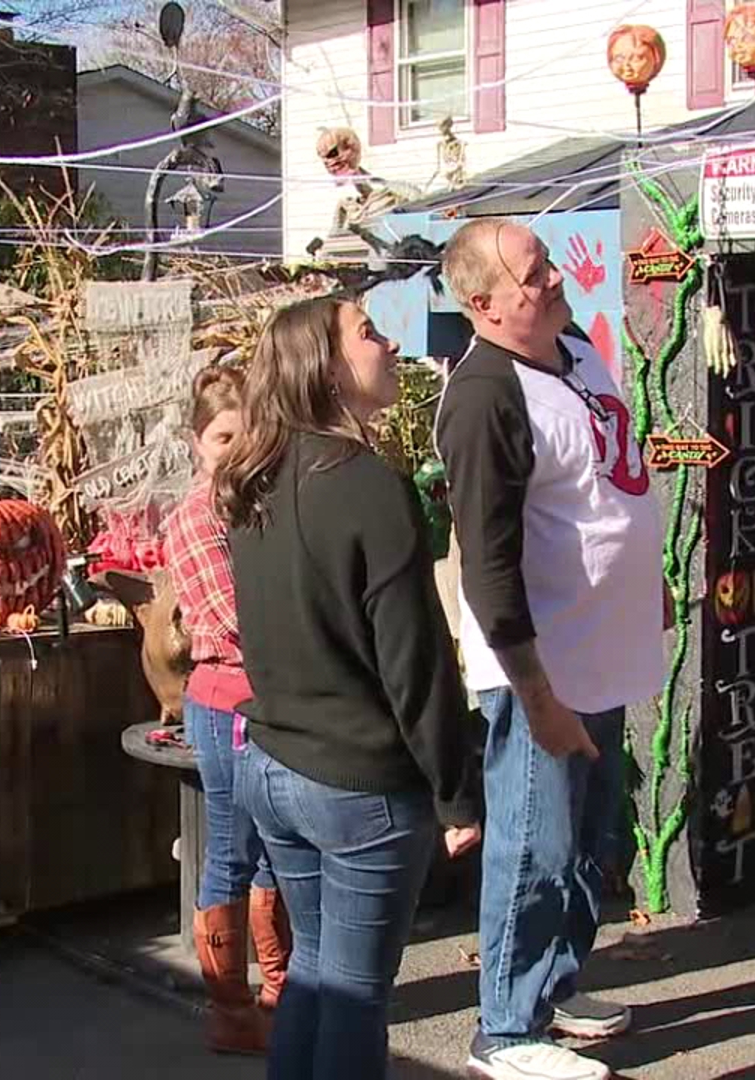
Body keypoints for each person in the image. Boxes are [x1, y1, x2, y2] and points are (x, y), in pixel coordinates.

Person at [215, 297, 483, 1080]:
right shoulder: (367, 485)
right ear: (326, 368)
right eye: (368, 332)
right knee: (356, 995)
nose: (391, 342)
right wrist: (456, 792)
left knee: (317, 974)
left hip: (276, 767)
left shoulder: (253, 478)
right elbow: (416, 660)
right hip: (360, 784)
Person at [437, 219, 667, 1080]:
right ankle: (504, 1027)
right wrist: (536, 694)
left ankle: (553, 988)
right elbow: (488, 567)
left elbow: (611, 481)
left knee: (584, 837)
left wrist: (653, 584)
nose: (553, 280)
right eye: (533, 275)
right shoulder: (482, 397)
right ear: (485, 304)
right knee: (532, 843)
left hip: (604, 651)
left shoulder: (573, 350)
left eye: (547, 265)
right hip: (542, 669)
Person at [161, 363, 292, 1055]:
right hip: (228, 698)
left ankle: (281, 989)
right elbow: (233, 617)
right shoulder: (196, 517)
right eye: (222, 438)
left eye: (248, 437)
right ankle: (231, 1010)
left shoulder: (264, 505)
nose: (236, 451)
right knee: (233, 848)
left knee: (275, 848)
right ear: (197, 442)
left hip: (275, 698)